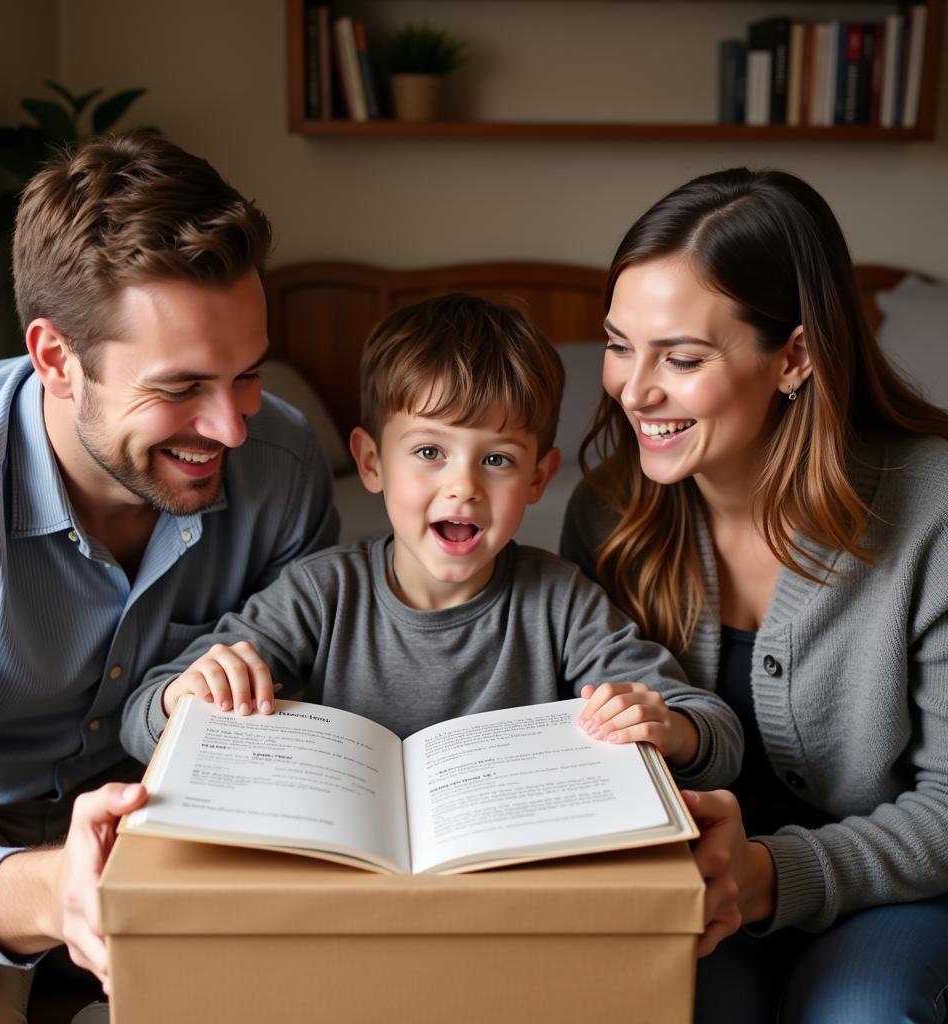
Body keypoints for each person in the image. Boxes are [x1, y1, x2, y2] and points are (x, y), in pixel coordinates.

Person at [0, 132, 338, 1022]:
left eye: (249, 375)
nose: (230, 428)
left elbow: (303, 700)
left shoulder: (287, 459)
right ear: (55, 358)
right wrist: (56, 892)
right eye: (182, 386)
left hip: (189, 824)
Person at [560, 167, 948, 1022]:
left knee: (863, 1011)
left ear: (796, 357)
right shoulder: (608, 516)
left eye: (683, 358)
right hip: (688, 891)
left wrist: (769, 873)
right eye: (620, 344)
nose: (634, 389)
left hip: (895, 891)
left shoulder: (935, 514)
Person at [121, 293, 743, 797]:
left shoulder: (561, 604)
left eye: (497, 459)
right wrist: (187, 694)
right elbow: (142, 717)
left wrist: (671, 728)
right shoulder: (321, 593)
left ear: (537, 479)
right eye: (428, 453)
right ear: (370, 462)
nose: (463, 486)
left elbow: (715, 734)